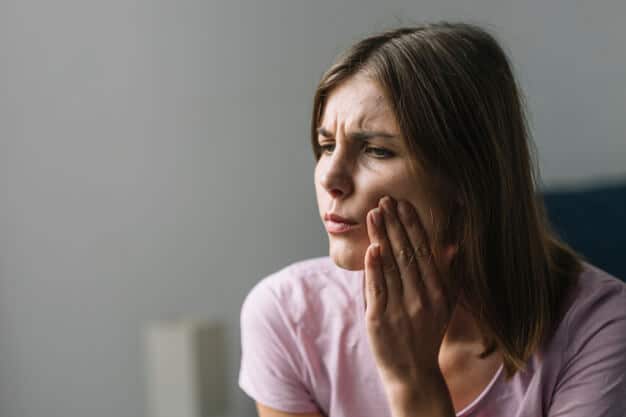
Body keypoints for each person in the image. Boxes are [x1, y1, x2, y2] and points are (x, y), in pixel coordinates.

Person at [238, 22, 626, 417]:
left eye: (375, 150)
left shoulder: (601, 327)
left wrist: (413, 381)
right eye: (326, 145)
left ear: (468, 178)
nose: (329, 178)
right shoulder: (290, 316)